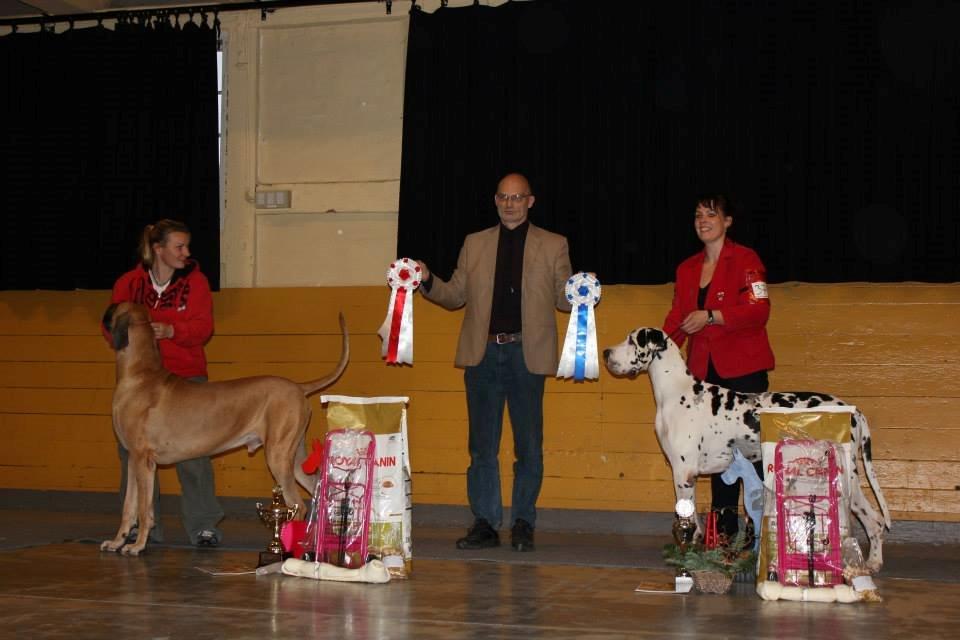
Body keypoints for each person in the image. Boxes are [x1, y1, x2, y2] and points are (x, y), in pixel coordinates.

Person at [416, 172, 573, 552]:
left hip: (527, 355)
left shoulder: (554, 244)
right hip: (482, 354)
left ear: (530, 201)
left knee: (528, 446)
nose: (510, 203)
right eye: (504, 197)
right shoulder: (475, 243)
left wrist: (583, 292)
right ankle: (485, 524)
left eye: (517, 197)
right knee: (481, 447)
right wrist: (426, 278)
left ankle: (523, 523)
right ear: (496, 200)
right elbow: (454, 296)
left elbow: (564, 301)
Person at [662, 194, 774, 539]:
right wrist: (655, 349)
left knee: (753, 454)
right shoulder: (686, 268)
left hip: (744, 370)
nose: (703, 220)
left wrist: (712, 316)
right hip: (703, 375)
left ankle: (762, 531)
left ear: (727, 221)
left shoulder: (746, 259)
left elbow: (759, 309)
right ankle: (723, 531)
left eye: (711, 214)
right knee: (715, 455)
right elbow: (677, 319)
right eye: (697, 215)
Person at [109, 219, 224, 547]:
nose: (186, 253)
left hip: (185, 377)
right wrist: (140, 333)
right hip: (140, 382)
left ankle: (203, 525)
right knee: (131, 452)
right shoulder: (128, 284)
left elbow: (203, 327)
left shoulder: (197, 282)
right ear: (157, 249)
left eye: (187, 246)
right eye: (179, 247)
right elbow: (111, 329)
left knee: (195, 453)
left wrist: (172, 330)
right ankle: (140, 526)